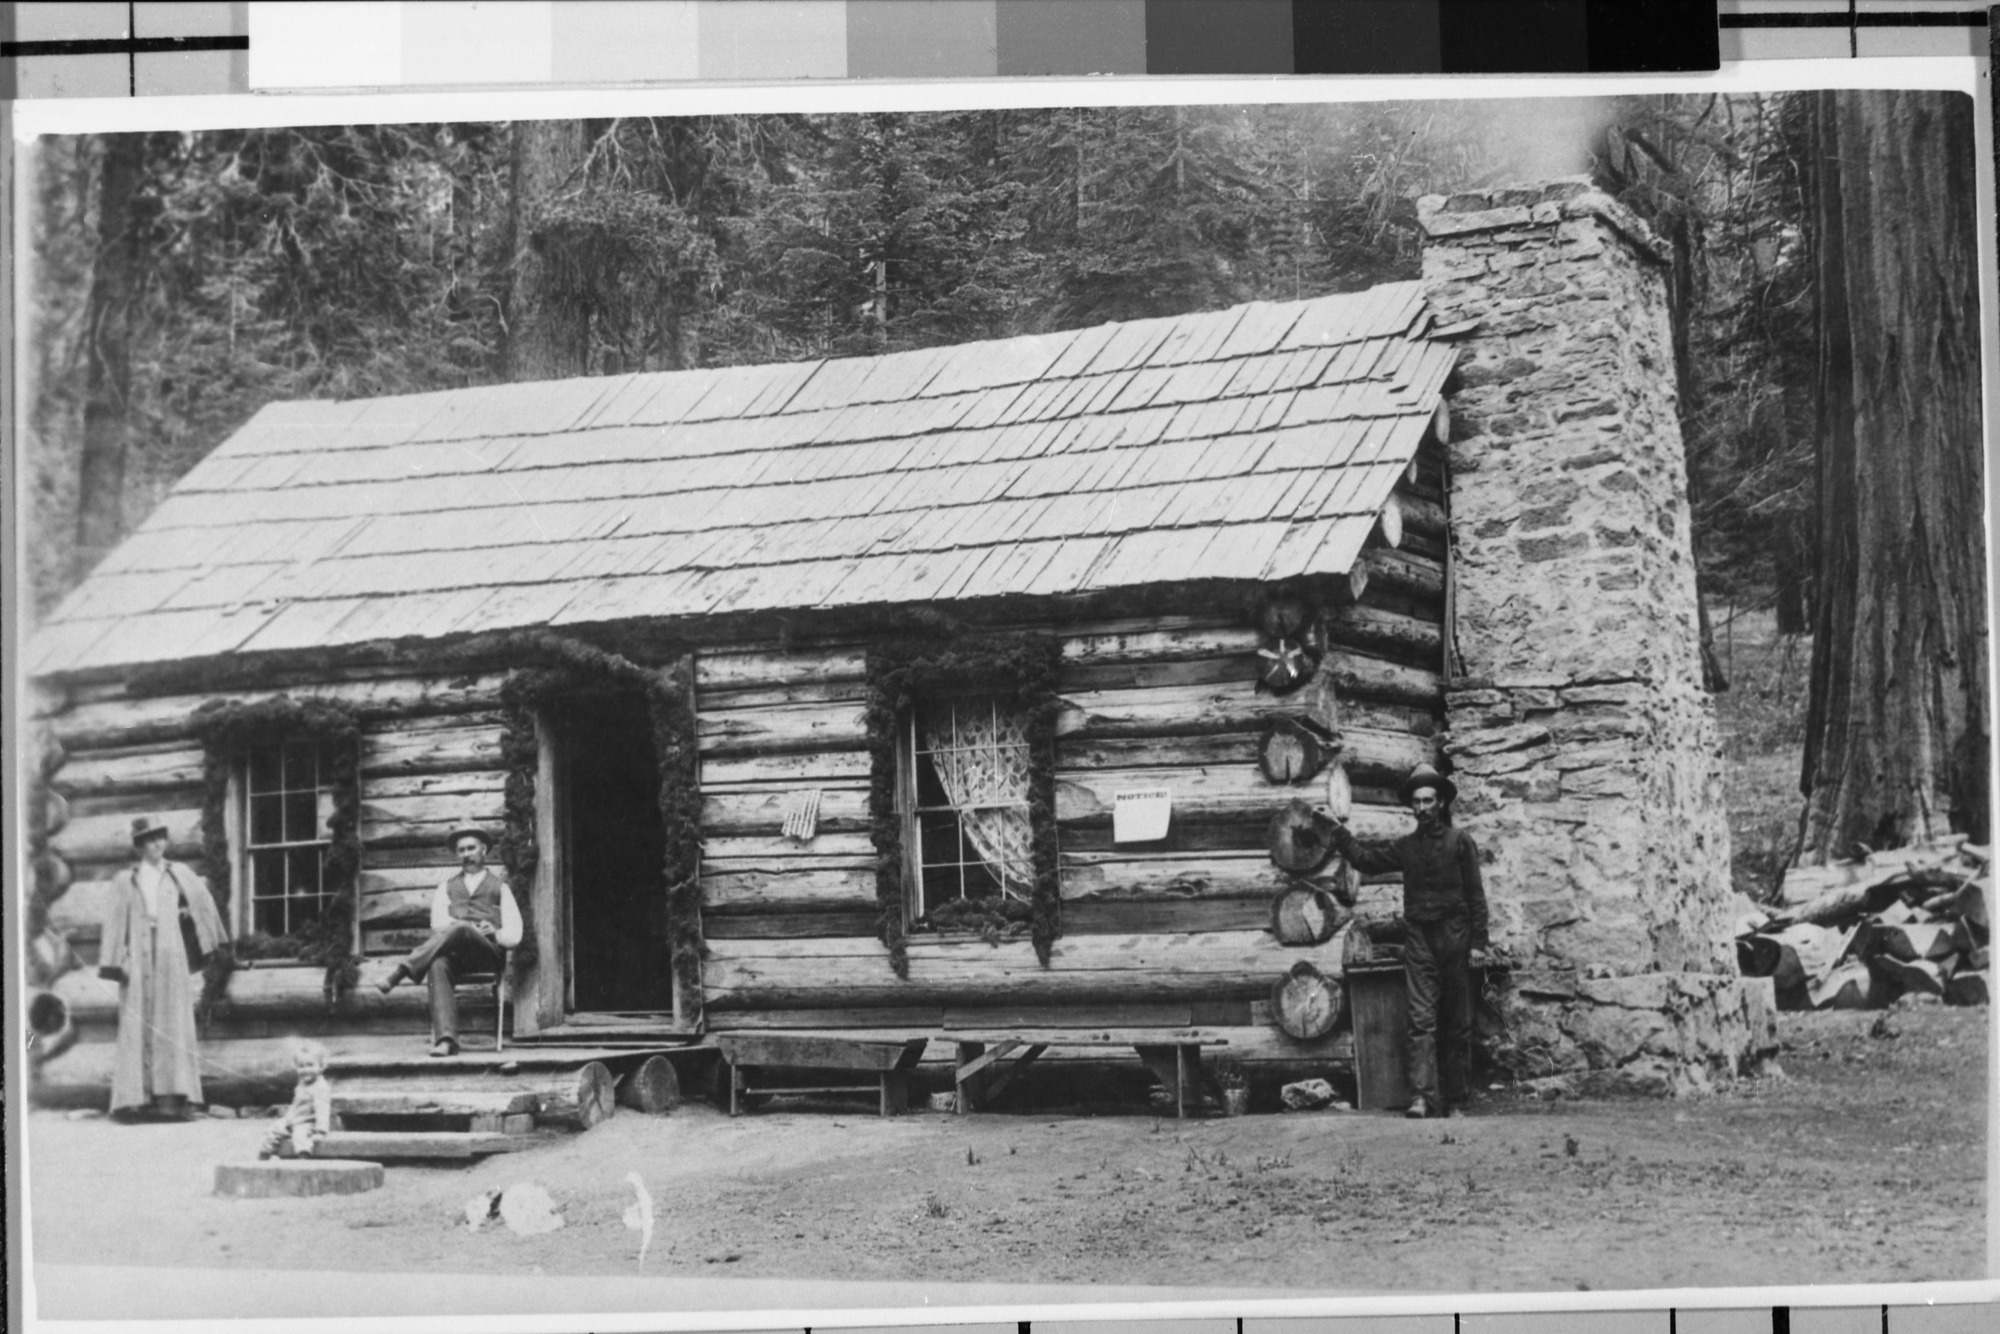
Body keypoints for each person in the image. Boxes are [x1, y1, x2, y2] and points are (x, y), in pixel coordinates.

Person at [1332, 764, 1490, 1119]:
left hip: (1456, 937)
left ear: (1441, 803)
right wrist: (1340, 836)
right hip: (1419, 939)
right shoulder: (1406, 847)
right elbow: (1367, 860)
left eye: (1428, 801)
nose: (1422, 808)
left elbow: (1477, 897)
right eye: (1417, 802)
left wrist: (1478, 942)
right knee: (1420, 1020)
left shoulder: (1461, 842)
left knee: (1457, 1021)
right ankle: (1422, 1097)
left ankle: (1457, 1100)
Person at [99, 815, 228, 1120]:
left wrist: (190, 916)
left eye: (160, 838)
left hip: (171, 952)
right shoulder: (126, 880)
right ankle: (135, 1100)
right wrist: (117, 959)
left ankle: (173, 1100)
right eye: (148, 840)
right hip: (138, 954)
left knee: (172, 1020)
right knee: (136, 1022)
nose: (156, 844)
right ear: (139, 846)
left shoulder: (178, 874)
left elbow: (203, 903)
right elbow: (116, 922)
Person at [377, 824, 522, 1056]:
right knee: (437, 964)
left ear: (483, 850)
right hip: (458, 957)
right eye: (462, 850)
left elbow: (515, 934)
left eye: (471, 848)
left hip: (488, 953)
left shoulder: (500, 888)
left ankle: (403, 969)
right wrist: (461, 927)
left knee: (461, 927)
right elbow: (438, 925)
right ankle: (446, 1040)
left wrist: (495, 932)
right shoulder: (446, 887)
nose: (467, 854)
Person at [258, 1039, 334, 1158]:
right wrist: (288, 1119)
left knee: (299, 1135)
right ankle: (266, 1151)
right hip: (295, 1119)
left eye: (310, 1065)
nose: (305, 1070)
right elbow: (296, 1104)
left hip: (308, 1122)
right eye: (301, 1066)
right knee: (274, 1128)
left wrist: (320, 1130)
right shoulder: (302, 1084)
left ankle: (303, 1155)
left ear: (321, 1066)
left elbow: (322, 1109)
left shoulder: (320, 1087)